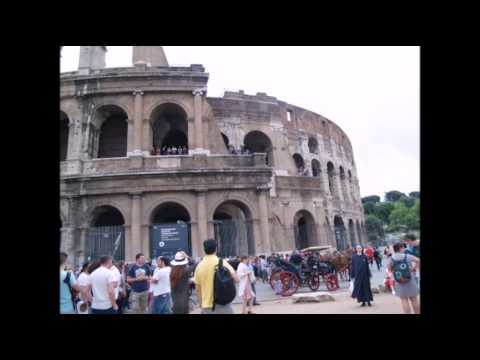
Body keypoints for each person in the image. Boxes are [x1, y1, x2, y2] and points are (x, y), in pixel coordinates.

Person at [193, 239, 239, 314]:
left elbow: (198, 289)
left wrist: (201, 304)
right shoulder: (221, 262)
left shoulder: (199, 266)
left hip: (207, 306)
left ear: (204, 249)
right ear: (216, 249)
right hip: (222, 303)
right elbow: (236, 279)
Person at [387, 243, 420, 314]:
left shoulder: (391, 258)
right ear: (400, 248)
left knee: (404, 299)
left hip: (399, 280)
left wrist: (393, 277)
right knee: (414, 299)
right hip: (410, 279)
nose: (404, 248)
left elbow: (389, 270)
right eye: (403, 247)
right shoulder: (407, 256)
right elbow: (418, 260)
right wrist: (414, 269)